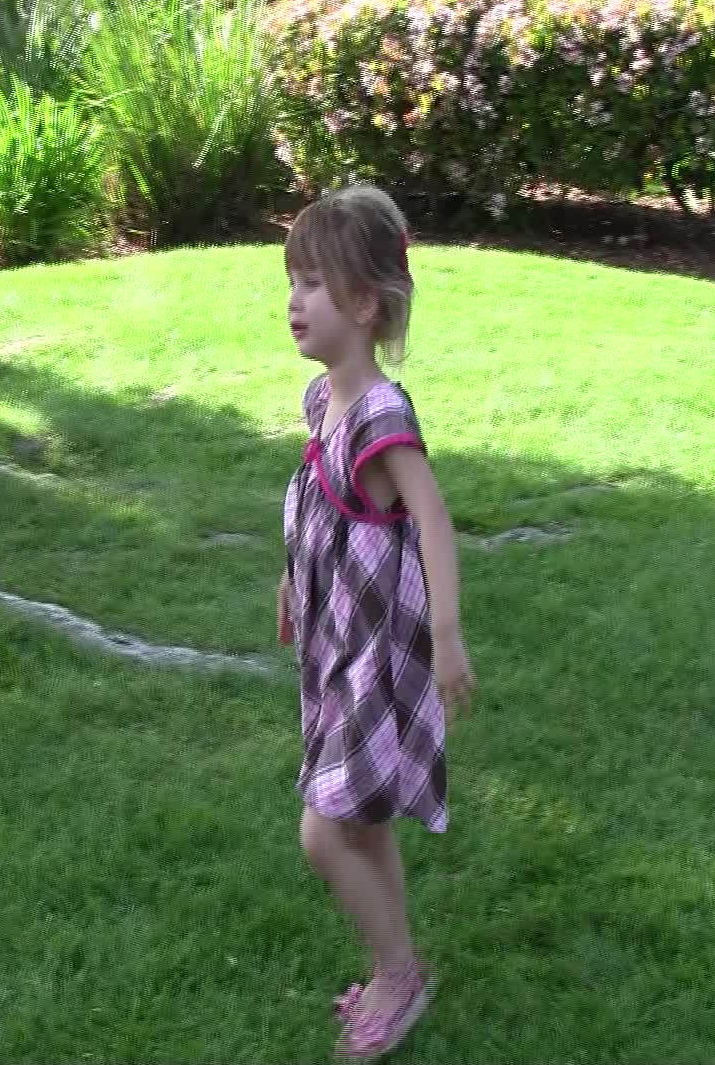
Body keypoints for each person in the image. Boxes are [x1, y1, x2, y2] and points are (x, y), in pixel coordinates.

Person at [276, 185, 476, 1059]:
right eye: (291, 282)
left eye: (312, 283)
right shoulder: (323, 400)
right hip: (338, 644)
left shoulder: (382, 419)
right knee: (364, 822)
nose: (294, 301)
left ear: (363, 305)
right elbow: (319, 504)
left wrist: (447, 636)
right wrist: (292, 580)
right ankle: (400, 968)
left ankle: (397, 975)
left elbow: (432, 519)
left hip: (377, 659)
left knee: (323, 831)